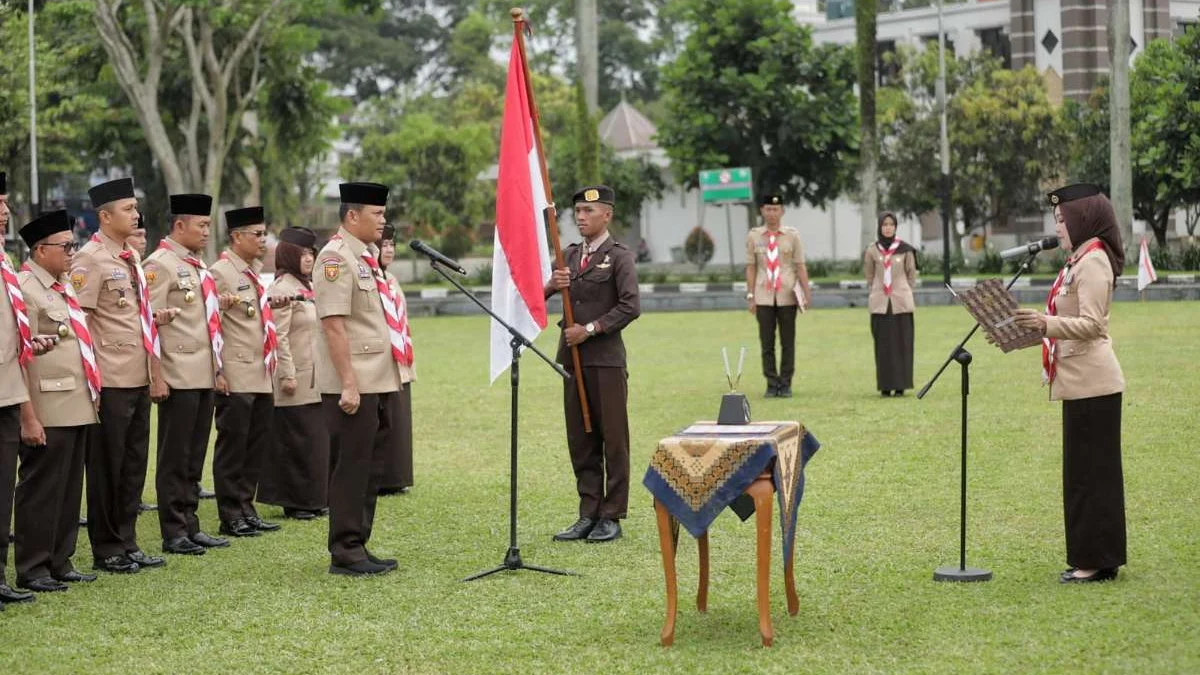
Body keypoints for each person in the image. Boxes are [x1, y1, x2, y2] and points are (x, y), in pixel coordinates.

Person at [1013, 183, 1127, 584]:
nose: (1058, 228)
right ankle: (1098, 556)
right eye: (1057, 221)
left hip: (1093, 382)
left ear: (1082, 219)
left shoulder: (1093, 261)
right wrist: (1035, 330)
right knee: (1085, 474)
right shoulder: (1078, 260)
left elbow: (1093, 324)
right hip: (1080, 382)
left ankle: (1095, 561)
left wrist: (1045, 324)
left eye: (1062, 220)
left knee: (1091, 476)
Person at [70, 177, 172, 574]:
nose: (136, 214)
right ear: (105, 216)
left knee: (132, 465)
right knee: (107, 467)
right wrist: (91, 383)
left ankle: (127, 540)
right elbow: (84, 324)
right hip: (110, 378)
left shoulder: (129, 257)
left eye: (135, 207)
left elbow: (141, 320)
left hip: (137, 375)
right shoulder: (91, 259)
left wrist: (155, 373)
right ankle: (107, 546)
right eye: (128, 209)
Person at [314, 182, 407, 576]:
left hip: (377, 378)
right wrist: (349, 383)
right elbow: (334, 326)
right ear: (352, 216)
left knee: (370, 467)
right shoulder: (335, 258)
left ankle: (358, 543)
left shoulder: (364, 257)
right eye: (377, 214)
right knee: (352, 466)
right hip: (355, 383)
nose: (384, 222)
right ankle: (345, 551)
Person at [545, 185, 640, 544]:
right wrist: (551, 284)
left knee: (612, 438)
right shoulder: (566, 256)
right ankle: (588, 511)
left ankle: (611, 515)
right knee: (580, 437)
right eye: (578, 212)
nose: (581, 217)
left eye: (588, 211)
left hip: (605, 360)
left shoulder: (619, 257)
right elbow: (538, 298)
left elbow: (631, 306)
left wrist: (589, 329)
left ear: (607, 215)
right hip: (572, 360)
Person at [14, 210, 100, 592]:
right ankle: (33, 567)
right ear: (40, 248)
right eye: (65, 246)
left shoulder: (64, 286)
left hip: (76, 402)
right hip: (47, 405)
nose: (72, 252)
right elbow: (20, 358)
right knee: (42, 488)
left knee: (69, 488)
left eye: (74, 245)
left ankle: (60, 560)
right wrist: (27, 416)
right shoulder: (25, 289)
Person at [142, 194, 229, 555]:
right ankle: (173, 529)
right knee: (175, 456)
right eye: (201, 225)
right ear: (179, 226)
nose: (207, 231)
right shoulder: (160, 264)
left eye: (209, 225)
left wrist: (217, 370)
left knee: (194, 455)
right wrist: (157, 376)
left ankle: (191, 522)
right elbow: (150, 324)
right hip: (177, 373)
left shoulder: (196, 265)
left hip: (203, 372)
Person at [0, 172, 58, 607]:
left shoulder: (2, 263)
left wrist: (25, 342)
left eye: (5, 201)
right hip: (8, 393)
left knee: (3, 491)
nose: (5, 211)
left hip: (7, 390)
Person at [209, 206, 282, 538]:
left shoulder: (252, 272)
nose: (263, 240)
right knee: (233, 445)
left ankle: (246, 506)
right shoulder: (220, 272)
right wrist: (218, 371)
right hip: (236, 371)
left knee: (255, 443)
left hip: (260, 371)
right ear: (237, 237)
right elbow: (213, 326)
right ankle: (230, 513)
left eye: (264, 233)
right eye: (257, 234)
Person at [257, 226, 329, 520]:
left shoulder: (309, 286)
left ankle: (314, 497)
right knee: (295, 439)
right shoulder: (281, 289)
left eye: (312, 253)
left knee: (313, 439)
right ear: (289, 255)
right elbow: (279, 336)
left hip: (315, 375)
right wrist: (287, 374)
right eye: (303, 254)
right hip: (294, 376)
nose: (309, 258)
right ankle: (296, 501)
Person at [745, 193, 811, 398]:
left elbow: (800, 265)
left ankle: (786, 381)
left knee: (787, 341)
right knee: (766, 341)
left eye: (776, 209)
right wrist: (750, 295)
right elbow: (751, 267)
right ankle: (771, 382)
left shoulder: (792, 235)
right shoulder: (754, 236)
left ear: (782, 211)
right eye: (768, 209)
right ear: (762, 211)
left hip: (787, 294)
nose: (772, 213)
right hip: (764, 294)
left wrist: (806, 293)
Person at [375, 224, 414, 497]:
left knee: (399, 418)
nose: (388, 250)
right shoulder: (372, 279)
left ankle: (396, 474)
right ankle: (380, 476)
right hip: (379, 361)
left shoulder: (391, 279)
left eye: (391, 245)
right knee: (383, 420)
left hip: (401, 358)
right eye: (383, 245)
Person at [863, 212, 918, 397]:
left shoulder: (905, 249)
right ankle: (885, 385)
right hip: (880, 303)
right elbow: (869, 275)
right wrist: (877, 291)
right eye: (884, 224)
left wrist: (903, 292)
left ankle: (901, 384)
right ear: (880, 227)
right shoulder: (872, 250)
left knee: (902, 344)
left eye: (891, 224)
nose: (888, 227)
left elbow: (911, 275)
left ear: (895, 227)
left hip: (901, 303)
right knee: (883, 345)